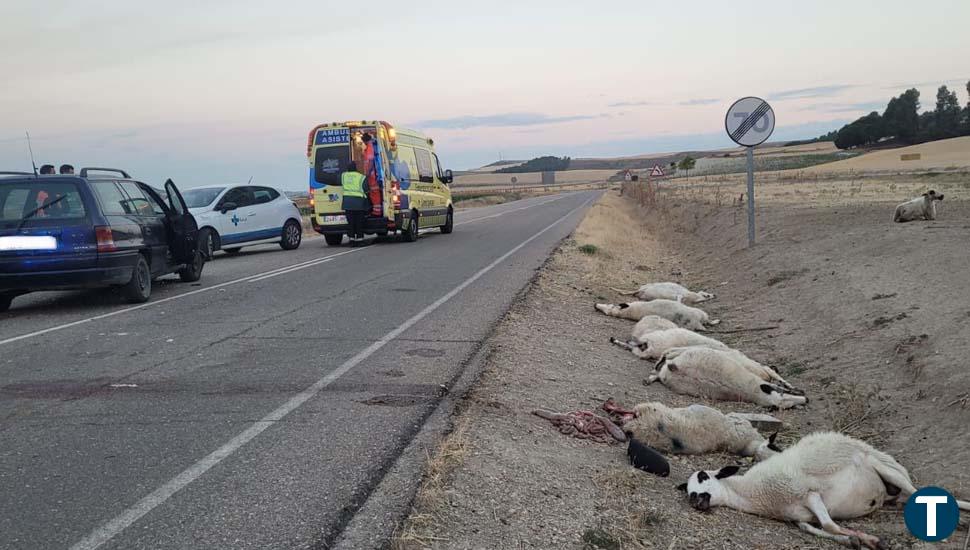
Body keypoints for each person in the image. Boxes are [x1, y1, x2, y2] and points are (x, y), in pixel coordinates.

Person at [341, 161, 369, 246]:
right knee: (359, 222)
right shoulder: (361, 177)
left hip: (347, 204)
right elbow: (366, 189)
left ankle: (351, 240)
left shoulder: (343, 176)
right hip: (358, 204)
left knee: (351, 223)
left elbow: (336, 180)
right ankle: (360, 240)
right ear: (356, 168)